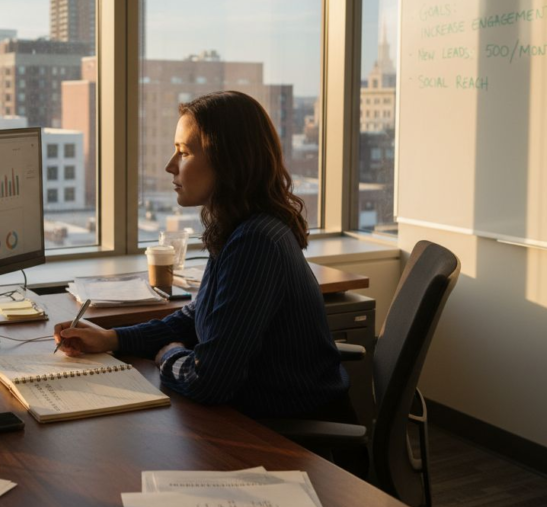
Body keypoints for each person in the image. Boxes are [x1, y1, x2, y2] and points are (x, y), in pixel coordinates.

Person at [54, 91, 350, 419]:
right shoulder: (243, 228)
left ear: (228, 160)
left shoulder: (255, 242)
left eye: (183, 152)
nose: (170, 166)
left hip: (287, 436)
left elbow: (209, 382)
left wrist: (169, 356)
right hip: (256, 414)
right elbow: (196, 316)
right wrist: (113, 339)